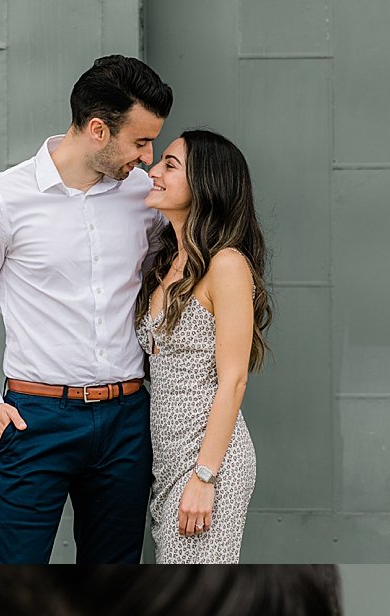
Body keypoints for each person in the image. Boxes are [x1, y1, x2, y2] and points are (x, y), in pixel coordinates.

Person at [0, 56, 174, 565]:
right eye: (140, 142)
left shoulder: (143, 197)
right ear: (97, 130)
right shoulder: (0, 200)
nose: (149, 157)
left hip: (126, 420)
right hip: (36, 419)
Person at [138, 130, 267, 563]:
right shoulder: (167, 261)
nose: (153, 171)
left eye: (169, 166)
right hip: (168, 463)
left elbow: (233, 381)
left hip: (210, 463)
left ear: (206, 184)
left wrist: (205, 476)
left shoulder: (227, 265)